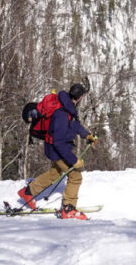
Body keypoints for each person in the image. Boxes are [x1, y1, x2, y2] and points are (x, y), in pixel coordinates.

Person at [16, 83, 98, 220]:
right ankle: (68, 208)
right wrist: (74, 160)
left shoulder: (67, 106)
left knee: (55, 172)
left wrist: (86, 135)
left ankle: (28, 192)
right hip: (56, 149)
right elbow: (58, 142)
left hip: (53, 148)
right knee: (75, 176)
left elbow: (74, 124)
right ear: (80, 97)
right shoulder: (62, 113)